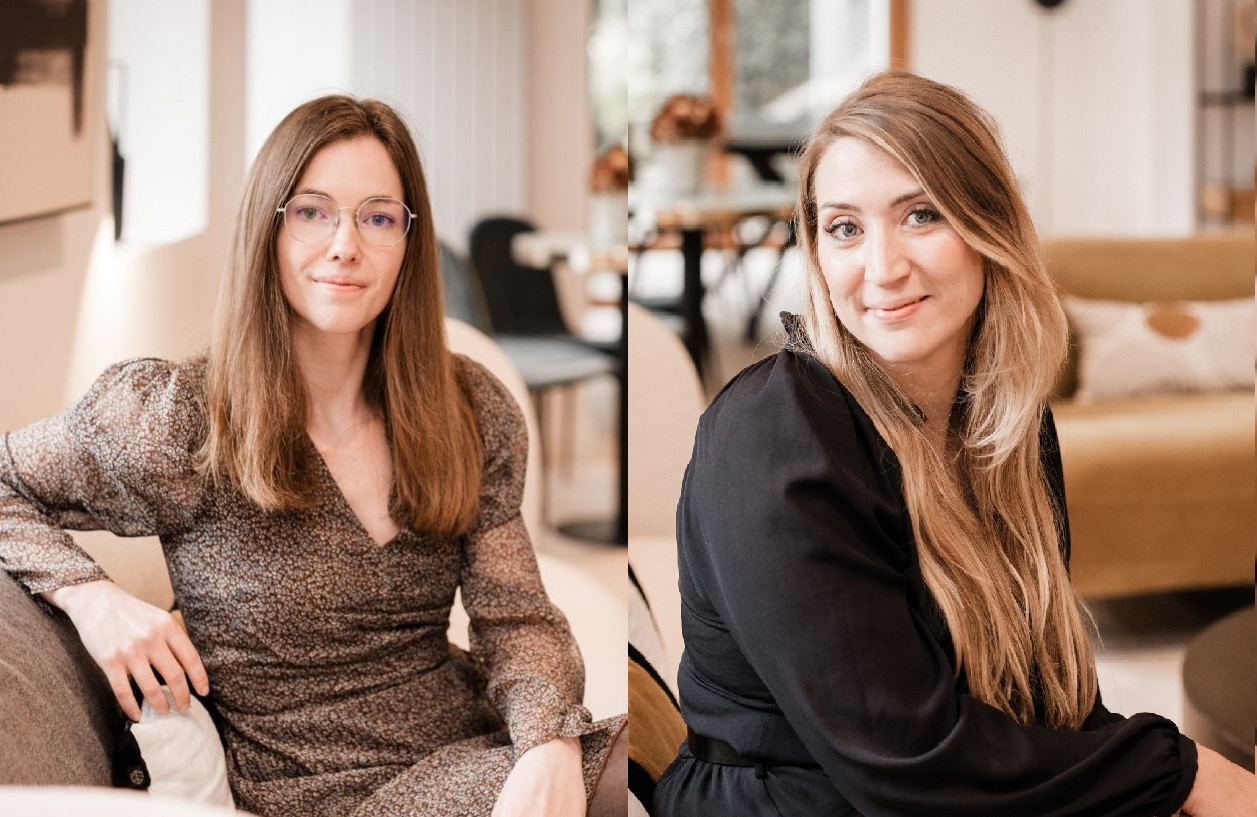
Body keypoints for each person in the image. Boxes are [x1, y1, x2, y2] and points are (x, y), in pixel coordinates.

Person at [0, 95, 626, 817]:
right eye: (311, 211)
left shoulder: (468, 407)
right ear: (267, 226)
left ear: (409, 241)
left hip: (467, 753)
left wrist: (546, 745)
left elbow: (517, 620)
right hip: (306, 790)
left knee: (647, 767)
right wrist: (91, 596)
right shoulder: (179, 418)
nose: (344, 245)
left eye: (378, 216)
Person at [652, 70, 1254, 816]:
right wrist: (1182, 769)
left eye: (920, 214)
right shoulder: (774, 437)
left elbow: (1048, 703)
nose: (881, 268)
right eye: (844, 227)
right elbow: (907, 763)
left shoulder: (1008, 421)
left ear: (987, 223)